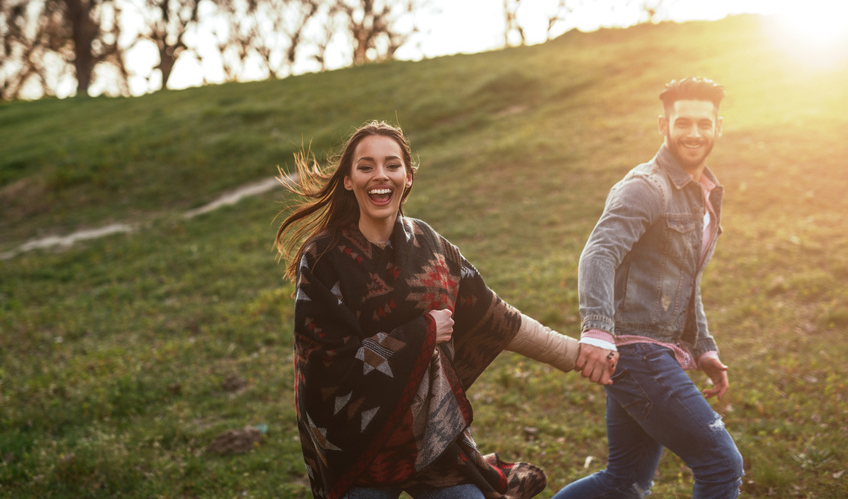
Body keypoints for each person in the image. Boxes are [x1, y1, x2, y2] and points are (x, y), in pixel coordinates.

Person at [275, 120, 582, 499]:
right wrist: (423, 332)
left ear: (408, 176)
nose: (380, 176)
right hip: (358, 447)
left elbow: (495, 316)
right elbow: (328, 366)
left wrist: (576, 354)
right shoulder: (323, 259)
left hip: (432, 439)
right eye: (365, 166)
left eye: (392, 164)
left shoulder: (430, 244)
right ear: (349, 181)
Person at [552, 77, 744, 499]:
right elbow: (599, 253)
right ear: (664, 125)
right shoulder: (647, 186)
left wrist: (703, 347)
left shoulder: (701, 192)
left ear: (718, 127)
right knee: (721, 464)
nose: (694, 133)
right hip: (637, 351)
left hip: (656, 349)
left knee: (623, 483)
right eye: (683, 123)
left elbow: (683, 277)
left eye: (704, 123)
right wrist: (598, 332)